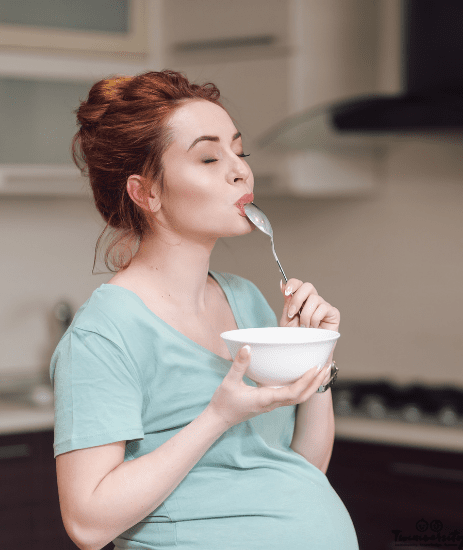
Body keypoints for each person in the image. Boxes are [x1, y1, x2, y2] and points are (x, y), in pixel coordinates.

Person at [50, 69, 359, 550]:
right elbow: (88, 524)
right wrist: (218, 416)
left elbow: (302, 469)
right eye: (210, 156)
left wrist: (314, 355)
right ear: (146, 192)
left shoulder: (247, 300)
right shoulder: (102, 336)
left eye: (240, 151)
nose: (240, 170)